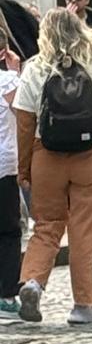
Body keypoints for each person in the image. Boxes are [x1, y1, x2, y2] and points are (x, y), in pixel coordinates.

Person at [13, 6, 92, 327]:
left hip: (45, 155)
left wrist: (24, 168)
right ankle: (82, 306)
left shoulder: (35, 69)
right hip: (88, 157)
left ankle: (33, 283)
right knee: (83, 230)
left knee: (47, 225)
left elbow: (24, 124)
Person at [0, 24, 24, 324]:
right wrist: (16, 70)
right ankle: (6, 295)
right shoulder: (7, 82)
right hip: (3, 167)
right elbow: (25, 111)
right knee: (8, 230)